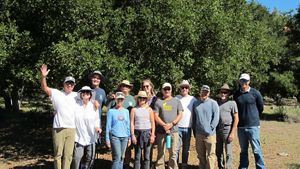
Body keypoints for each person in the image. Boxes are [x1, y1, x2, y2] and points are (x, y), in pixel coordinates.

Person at [40, 64, 77, 169]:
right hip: (58, 128)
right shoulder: (56, 93)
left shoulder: (77, 95)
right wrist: (43, 77)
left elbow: (89, 97)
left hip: (71, 128)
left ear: (74, 85)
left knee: (68, 155)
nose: (69, 85)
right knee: (58, 155)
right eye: (67, 83)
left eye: (71, 84)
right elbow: (44, 88)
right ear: (63, 84)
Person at [233, 73, 265, 169]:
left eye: (246, 81)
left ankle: (260, 167)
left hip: (253, 126)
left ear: (249, 82)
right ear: (239, 81)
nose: (244, 83)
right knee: (243, 150)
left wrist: (253, 117)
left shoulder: (255, 93)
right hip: (241, 127)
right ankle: (243, 167)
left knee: (256, 150)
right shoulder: (236, 94)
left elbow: (261, 107)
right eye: (242, 80)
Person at [154, 82, 183, 169]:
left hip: (173, 132)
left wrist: (172, 124)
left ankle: (172, 167)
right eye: (165, 89)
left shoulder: (177, 101)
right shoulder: (158, 102)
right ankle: (160, 167)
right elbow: (155, 115)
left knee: (173, 153)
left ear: (171, 90)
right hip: (161, 132)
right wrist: (164, 125)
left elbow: (180, 114)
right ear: (162, 90)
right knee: (160, 153)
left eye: (168, 89)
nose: (167, 90)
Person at [72, 86, 101, 169]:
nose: (85, 94)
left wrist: (97, 127)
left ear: (90, 95)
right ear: (81, 94)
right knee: (77, 157)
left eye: (87, 93)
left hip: (91, 136)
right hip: (78, 136)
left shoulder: (94, 106)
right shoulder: (76, 105)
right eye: (83, 92)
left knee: (90, 157)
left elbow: (97, 119)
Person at [193, 85, 219, 169]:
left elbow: (216, 118)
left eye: (206, 92)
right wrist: (195, 131)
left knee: (211, 154)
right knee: (200, 155)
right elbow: (194, 118)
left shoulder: (213, 103)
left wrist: (210, 128)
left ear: (209, 93)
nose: (204, 93)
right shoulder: (196, 103)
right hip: (199, 134)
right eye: (203, 91)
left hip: (210, 134)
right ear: (200, 92)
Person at [130, 91, 156, 169]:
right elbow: (132, 123)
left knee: (147, 157)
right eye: (140, 98)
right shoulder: (134, 109)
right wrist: (133, 135)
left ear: (146, 99)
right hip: (137, 133)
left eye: (144, 98)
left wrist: (152, 135)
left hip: (147, 133)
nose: (142, 99)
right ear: (138, 99)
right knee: (137, 156)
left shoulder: (149, 109)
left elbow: (153, 123)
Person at [216, 84, 239, 169]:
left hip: (227, 128)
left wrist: (232, 132)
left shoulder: (232, 103)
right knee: (219, 151)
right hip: (217, 129)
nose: (223, 94)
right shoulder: (216, 103)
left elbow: (236, 118)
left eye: (225, 92)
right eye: (222, 92)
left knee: (228, 151)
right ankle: (221, 167)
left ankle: (229, 167)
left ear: (228, 93)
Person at [106, 92, 131, 169]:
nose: (120, 100)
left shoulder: (126, 111)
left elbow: (128, 125)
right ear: (115, 100)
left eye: (121, 99)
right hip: (115, 137)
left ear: (123, 100)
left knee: (122, 158)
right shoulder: (111, 111)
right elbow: (108, 126)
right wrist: (107, 140)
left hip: (125, 137)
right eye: (118, 99)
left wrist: (129, 137)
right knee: (117, 157)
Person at [175, 80, 197, 169]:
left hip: (188, 127)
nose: (184, 89)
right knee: (176, 148)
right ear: (180, 88)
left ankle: (184, 164)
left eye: (186, 87)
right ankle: (175, 164)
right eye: (182, 87)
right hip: (177, 127)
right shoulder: (176, 98)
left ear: (188, 89)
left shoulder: (193, 99)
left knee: (186, 148)